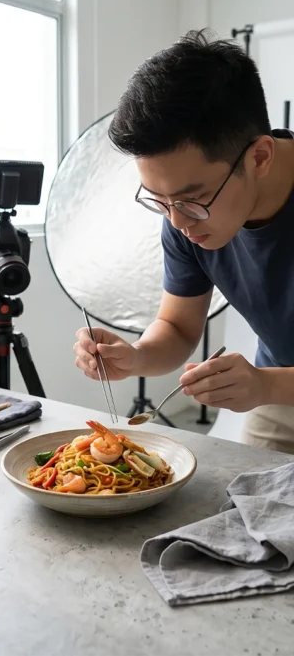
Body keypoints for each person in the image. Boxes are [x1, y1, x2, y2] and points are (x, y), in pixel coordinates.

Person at [73, 29, 294, 454]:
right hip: (280, 396)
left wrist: (264, 383)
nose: (177, 222)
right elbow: (177, 327)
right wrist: (135, 356)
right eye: (158, 200)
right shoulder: (184, 216)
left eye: (191, 201)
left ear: (260, 158)